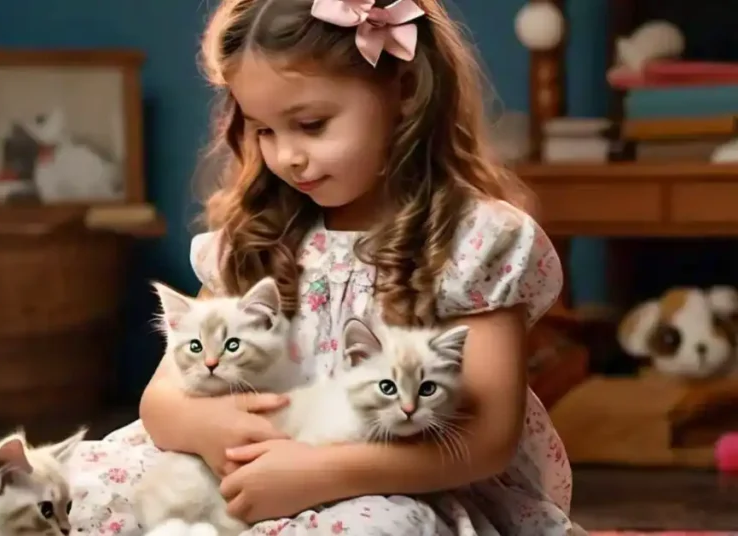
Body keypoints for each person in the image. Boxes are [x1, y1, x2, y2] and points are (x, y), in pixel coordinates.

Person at [68, 0, 580, 534]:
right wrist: (205, 427)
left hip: (393, 484)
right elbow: (162, 398)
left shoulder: (473, 244)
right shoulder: (258, 238)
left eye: (310, 125)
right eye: (264, 130)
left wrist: (318, 473)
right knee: (76, 489)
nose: (287, 155)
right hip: (241, 470)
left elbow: (488, 440)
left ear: (404, 91)